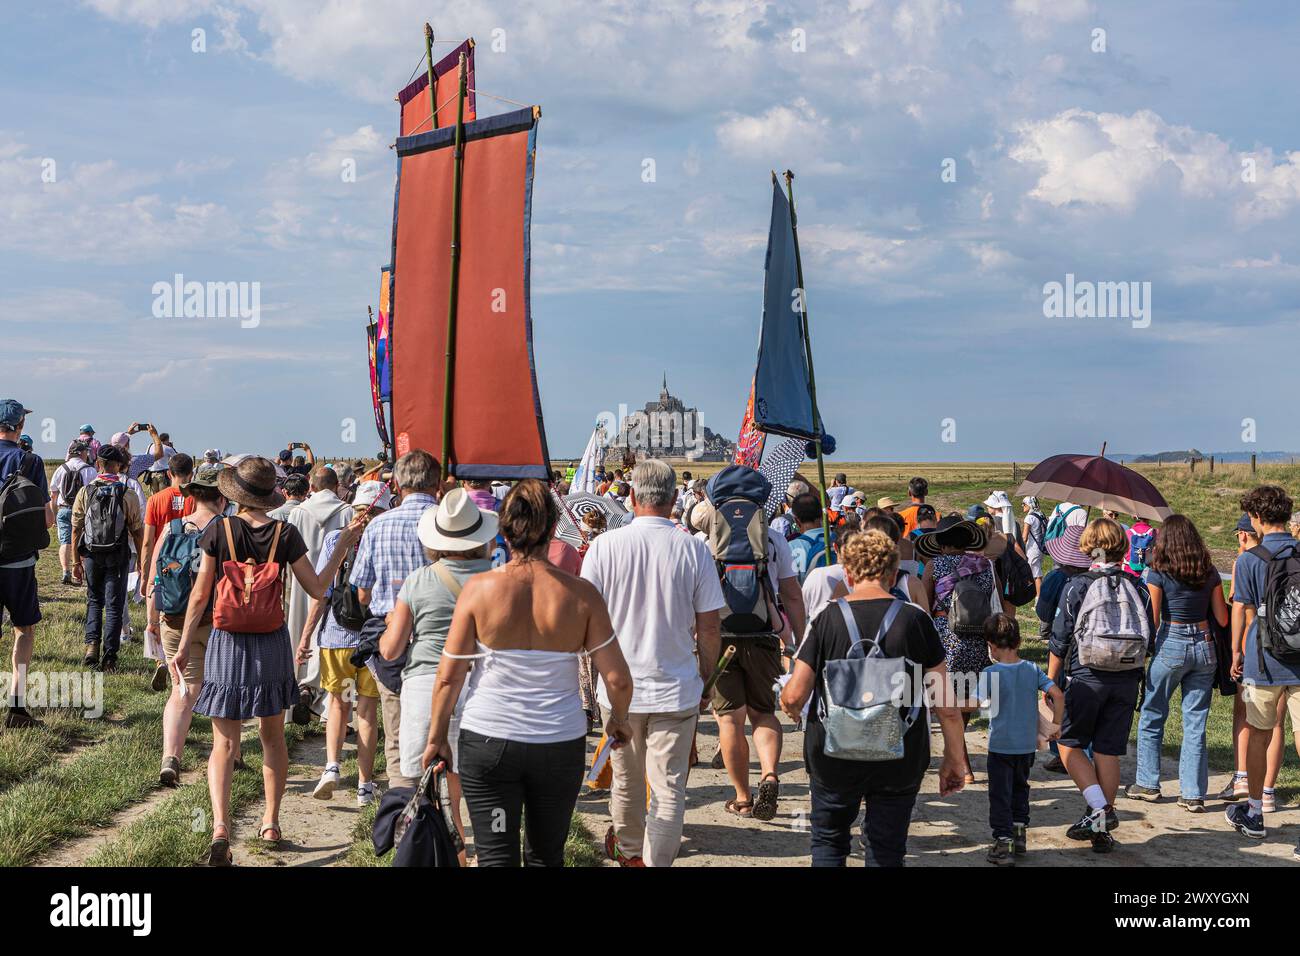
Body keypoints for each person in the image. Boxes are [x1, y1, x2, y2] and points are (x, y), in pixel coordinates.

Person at [422, 479, 635, 867]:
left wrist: (437, 737)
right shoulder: (582, 595)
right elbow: (618, 678)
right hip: (557, 744)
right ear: (552, 529)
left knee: (496, 855)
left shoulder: (479, 591)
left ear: (503, 529)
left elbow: (449, 677)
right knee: (544, 855)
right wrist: (618, 721)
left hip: (490, 742)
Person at [172, 456, 360, 865]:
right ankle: (271, 821)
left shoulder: (218, 531)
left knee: (224, 742)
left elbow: (201, 595)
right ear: (268, 494)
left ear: (234, 492)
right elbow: (316, 588)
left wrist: (186, 643)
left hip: (226, 642)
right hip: (271, 642)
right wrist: (341, 547)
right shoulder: (285, 533)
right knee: (273, 738)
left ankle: (220, 826)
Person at [780, 529, 968, 865]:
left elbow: (795, 694)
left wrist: (790, 707)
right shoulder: (915, 620)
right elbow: (946, 705)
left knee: (828, 841)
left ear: (848, 573)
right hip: (900, 754)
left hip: (833, 754)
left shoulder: (827, 619)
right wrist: (955, 758)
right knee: (887, 848)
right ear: (894, 573)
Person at [581, 460, 724, 866]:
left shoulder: (604, 547)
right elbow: (710, 628)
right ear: (674, 499)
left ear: (631, 497)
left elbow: (588, 621)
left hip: (617, 686)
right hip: (676, 685)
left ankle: (630, 855)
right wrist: (706, 678)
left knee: (625, 782)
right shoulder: (693, 548)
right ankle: (655, 860)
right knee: (668, 787)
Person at [378, 487, 496, 848]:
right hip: (482, 686)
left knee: (430, 791)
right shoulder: (498, 579)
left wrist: (386, 626)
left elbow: (391, 649)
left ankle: (438, 854)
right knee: (468, 789)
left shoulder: (419, 580)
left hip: (426, 686)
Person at [688, 485, 805, 821]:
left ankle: (742, 798)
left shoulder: (701, 542)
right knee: (763, 714)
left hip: (718, 637)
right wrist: (796, 641)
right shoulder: (772, 539)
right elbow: (792, 595)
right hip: (763, 636)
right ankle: (769, 773)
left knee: (729, 720)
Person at [1048, 517, 1153, 853]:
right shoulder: (1138, 587)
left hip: (1087, 676)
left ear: (1087, 545)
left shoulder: (1078, 585)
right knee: (1108, 751)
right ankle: (1102, 830)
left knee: (1068, 742)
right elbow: (1149, 635)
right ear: (1122, 548)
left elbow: (1059, 639)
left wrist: (1052, 683)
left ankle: (1099, 809)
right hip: (1126, 679)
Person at [350, 449, 442, 789]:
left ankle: (403, 808)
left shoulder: (379, 525)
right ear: (436, 485)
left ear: (398, 485)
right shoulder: (445, 520)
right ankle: (439, 804)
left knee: (398, 730)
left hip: (391, 638)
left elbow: (362, 592)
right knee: (441, 726)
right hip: (440, 637)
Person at [1124, 515, 1227, 811]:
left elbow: (1153, 618)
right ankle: (1193, 793)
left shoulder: (1158, 571)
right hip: (1204, 645)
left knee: (1153, 712)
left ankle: (1147, 782)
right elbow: (1221, 618)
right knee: (1195, 721)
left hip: (1172, 639)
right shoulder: (1208, 571)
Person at [299, 481, 390, 807]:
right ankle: (365, 786)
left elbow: (321, 592)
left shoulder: (337, 539)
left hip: (337, 635)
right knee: (366, 712)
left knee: (337, 704)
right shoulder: (385, 541)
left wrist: (306, 635)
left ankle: (332, 767)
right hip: (374, 638)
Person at [1227, 485, 1300, 844]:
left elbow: (1240, 608)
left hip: (1264, 657)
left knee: (1259, 733)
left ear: (1256, 518)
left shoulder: (1250, 559)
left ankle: (1255, 811)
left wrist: (1237, 653)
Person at [150, 463, 227, 786]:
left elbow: (156, 576)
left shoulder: (173, 528)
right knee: (222, 687)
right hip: (217, 620)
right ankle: (227, 754)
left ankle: (171, 756)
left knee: (182, 689)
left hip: (174, 619)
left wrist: (151, 621)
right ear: (223, 498)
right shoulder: (228, 529)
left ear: (193, 495)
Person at [981, 613, 1063, 865]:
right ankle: (1019, 835)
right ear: (1017, 642)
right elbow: (1057, 695)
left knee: (1000, 794)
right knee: (1020, 788)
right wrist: (1056, 725)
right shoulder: (1031, 668)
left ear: (992, 646)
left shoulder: (990, 672)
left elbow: (976, 704)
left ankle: (1002, 842)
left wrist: (947, 703)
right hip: (1026, 746)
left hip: (1001, 745)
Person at [918, 516, 995, 781]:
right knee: (965, 702)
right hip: (977, 640)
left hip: (945, 640)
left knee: (947, 704)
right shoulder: (985, 566)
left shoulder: (934, 565)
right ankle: (961, 757)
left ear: (941, 544)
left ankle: (963, 764)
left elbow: (926, 607)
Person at [286, 466, 354, 724]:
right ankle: (330, 710)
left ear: (311, 487)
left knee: (300, 635)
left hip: (303, 583)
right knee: (335, 640)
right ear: (337, 486)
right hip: (336, 586)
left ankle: (299, 691)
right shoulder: (347, 512)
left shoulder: (297, 513)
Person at [0, 399, 53, 728]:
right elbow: (47, 520)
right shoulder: (29, 461)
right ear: (20, 426)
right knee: (24, 629)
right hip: (18, 560)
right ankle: (16, 706)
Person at [71, 444, 145, 672]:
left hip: (92, 554)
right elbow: (137, 530)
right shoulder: (127, 493)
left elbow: (76, 528)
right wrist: (142, 559)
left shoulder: (86, 491)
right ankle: (110, 656)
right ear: (119, 466)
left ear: (98, 464)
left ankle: (91, 646)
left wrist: (76, 561)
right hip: (118, 554)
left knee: (94, 600)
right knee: (114, 605)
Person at [1036, 524, 1094, 773]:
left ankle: (1061, 752)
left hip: (1063, 650)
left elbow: (1043, 612)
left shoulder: (1057, 578)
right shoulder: (1098, 580)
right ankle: (1086, 754)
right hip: (1091, 651)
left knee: (1056, 699)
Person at [140, 453, 197, 686]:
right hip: (191, 563)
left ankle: (160, 659)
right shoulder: (196, 498)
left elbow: (147, 540)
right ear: (191, 474)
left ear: (169, 474)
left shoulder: (156, 499)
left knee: (157, 614)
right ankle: (184, 654)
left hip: (162, 563)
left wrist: (145, 574)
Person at [51, 439, 97, 585]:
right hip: (84, 510)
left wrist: (54, 514)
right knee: (84, 541)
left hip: (64, 509)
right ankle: (82, 571)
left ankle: (66, 571)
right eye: (86, 451)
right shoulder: (90, 470)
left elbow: (53, 494)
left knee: (65, 541)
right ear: (82, 453)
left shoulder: (61, 469)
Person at [788, 491, 833, 582]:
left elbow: (792, 583)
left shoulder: (792, 547)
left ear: (796, 520)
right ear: (821, 515)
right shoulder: (839, 539)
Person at [1021, 496, 1047, 594]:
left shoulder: (1029, 517)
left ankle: (1038, 599)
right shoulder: (1040, 514)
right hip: (1041, 547)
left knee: (1037, 575)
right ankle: (1033, 593)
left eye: (1024, 504)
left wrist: (1019, 548)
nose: (1022, 506)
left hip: (1033, 549)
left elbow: (1024, 537)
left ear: (1029, 504)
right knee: (1036, 572)